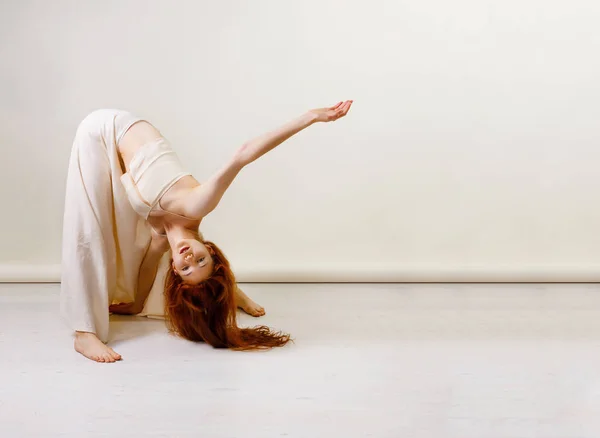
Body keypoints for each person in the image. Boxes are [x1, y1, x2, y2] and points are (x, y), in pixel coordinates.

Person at [60, 100, 353, 362]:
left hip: (112, 149)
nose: (188, 257)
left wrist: (130, 307)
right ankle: (84, 332)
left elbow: (138, 296)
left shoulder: (160, 241)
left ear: (175, 270)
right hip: (106, 128)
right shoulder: (197, 206)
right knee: (86, 230)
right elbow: (243, 154)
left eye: (186, 268)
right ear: (210, 250)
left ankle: (230, 293)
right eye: (201, 260)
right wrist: (310, 117)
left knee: (112, 236)